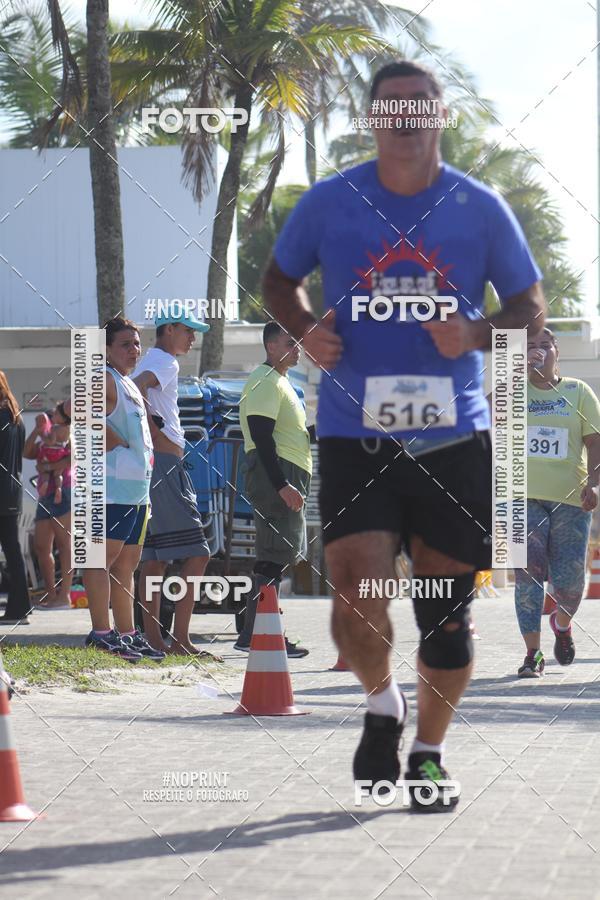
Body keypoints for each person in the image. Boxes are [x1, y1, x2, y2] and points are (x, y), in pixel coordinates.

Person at [263, 60, 545, 811]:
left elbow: (529, 304)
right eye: (392, 106)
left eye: (422, 105)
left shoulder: (479, 207)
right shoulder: (330, 201)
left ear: (440, 116)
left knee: (444, 620)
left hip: (452, 438)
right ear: (372, 118)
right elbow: (276, 280)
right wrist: (304, 331)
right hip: (356, 433)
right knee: (354, 596)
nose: (407, 117)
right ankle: (382, 704)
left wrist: (477, 333)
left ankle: (427, 752)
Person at [514, 328, 600, 676]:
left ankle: (561, 624)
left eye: (544, 345)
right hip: (520, 496)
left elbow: (595, 443)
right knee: (526, 577)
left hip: (570, 499)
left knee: (570, 583)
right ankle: (532, 654)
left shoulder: (578, 391)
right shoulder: (514, 391)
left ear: (557, 352)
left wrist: (594, 485)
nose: (538, 350)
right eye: (530, 346)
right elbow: (482, 414)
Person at [79, 316, 163, 661]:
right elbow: (83, 416)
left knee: (127, 564)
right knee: (100, 560)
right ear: (107, 349)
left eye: (137, 343)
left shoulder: (127, 383)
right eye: (125, 344)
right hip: (110, 490)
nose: (134, 349)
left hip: (137, 492)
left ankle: (127, 633)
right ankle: (101, 633)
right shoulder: (103, 378)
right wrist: (118, 447)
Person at [134, 309, 211, 655]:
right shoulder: (165, 361)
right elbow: (138, 391)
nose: (193, 337)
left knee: (154, 560)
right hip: (164, 464)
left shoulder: (151, 358)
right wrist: (155, 433)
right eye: (189, 330)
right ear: (169, 330)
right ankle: (179, 640)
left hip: (151, 464)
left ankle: (154, 639)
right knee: (198, 552)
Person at [235, 321, 310, 657]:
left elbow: (286, 433)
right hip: (276, 476)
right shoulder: (265, 380)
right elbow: (261, 434)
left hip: (285, 474)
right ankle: (260, 636)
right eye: (290, 342)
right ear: (271, 347)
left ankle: (255, 633)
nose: (297, 349)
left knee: (274, 557)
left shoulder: (281, 382)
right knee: (273, 557)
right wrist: (282, 485)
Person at [23, 401, 73, 610]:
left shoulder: (66, 432)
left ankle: (65, 596)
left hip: (64, 491)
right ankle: (51, 594)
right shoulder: (46, 435)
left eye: (53, 414)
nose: (49, 418)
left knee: (64, 544)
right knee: (42, 545)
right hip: (45, 494)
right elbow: (27, 452)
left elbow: (69, 461)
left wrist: (47, 466)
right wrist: (36, 428)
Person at [0, 371, 32, 625]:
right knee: (13, 551)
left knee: (12, 551)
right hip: (13, 491)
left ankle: (19, 609)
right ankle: (20, 608)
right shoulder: (16, 418)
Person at [35, 408, 71, 504]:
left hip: (51, 452)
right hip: (62, 452)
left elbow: (51, 442)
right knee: (58, 474)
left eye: (55, 415)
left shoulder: (55, 428)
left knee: (45, 470)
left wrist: (42, 435)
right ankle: (58, 487)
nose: (53, 417)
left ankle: (45, 482)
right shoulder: (68, 428)